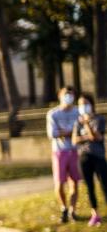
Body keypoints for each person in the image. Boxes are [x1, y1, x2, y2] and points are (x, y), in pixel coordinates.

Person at [48, 86, 81, 223]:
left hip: (75, 151)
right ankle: (64, 209)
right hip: (59, 152)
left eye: (71, 94)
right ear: (60, 96)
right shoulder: (53, 114)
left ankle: (72, 210)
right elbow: (53, 134)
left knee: (74, 182)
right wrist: (71, 132)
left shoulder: (78, 112)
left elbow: (80, 132)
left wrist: (64, 132)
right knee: (59, 183)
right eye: (66, 94)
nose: (68, 97)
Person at [72, 93, 106, 226]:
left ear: (91, 104)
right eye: (80, 104)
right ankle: (95, 214)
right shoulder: (77, 122)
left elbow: (96, 137)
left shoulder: (99, 119)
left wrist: (86, 124)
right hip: (84, 157)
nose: (83, 106)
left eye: (85, 103)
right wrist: (86, 136)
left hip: (98, 156)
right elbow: (74, 140)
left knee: (105, 184)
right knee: (89, 187)